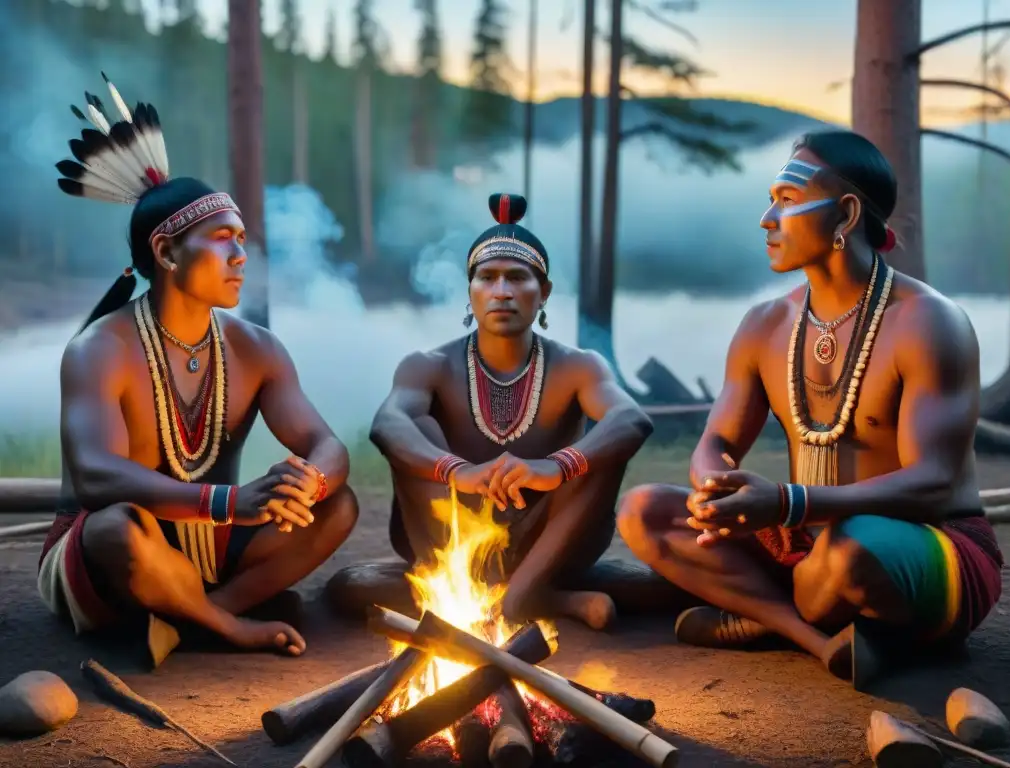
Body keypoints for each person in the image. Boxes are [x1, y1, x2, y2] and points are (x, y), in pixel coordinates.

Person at [616, 130, 1003, 688]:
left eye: (789, 200)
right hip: (804, 541)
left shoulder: (928, 322)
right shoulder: (764, 326)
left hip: (921, 544)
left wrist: (790, 502)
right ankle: (812, 636)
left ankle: (769, 614)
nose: (767, 219)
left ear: (845, 215)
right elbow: (715, 442)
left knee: (849, 552)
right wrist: (712, 487)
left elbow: (935, 483)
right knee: (644, 511)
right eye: (771, 199)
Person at [38, 76, 359, 665]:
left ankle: (202, 615)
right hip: (118, 551)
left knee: (337, 505)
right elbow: (95, 479)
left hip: (208, 549)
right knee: (117, 527)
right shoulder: (98, 350)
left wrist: (304, 483)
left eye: (242, 239)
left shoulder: (256, 348)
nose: (241, 255)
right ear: (165, 252)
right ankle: (228, 625)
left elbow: (326, 445)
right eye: (222, 240)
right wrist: (230, 503)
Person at [369, 193, 653, 630]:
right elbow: (387, 424)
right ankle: (545, 601)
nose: (501, 291)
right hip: (451, 539)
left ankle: (515, 600)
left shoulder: (579, 367)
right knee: (414, 426)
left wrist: (554, 466)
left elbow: (631, 418)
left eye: (517, 278)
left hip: (550, 542)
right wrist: (457, 471)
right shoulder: (428, 365)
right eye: (487, 277)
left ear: (544, 293)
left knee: (602, 451)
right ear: (470, 292)